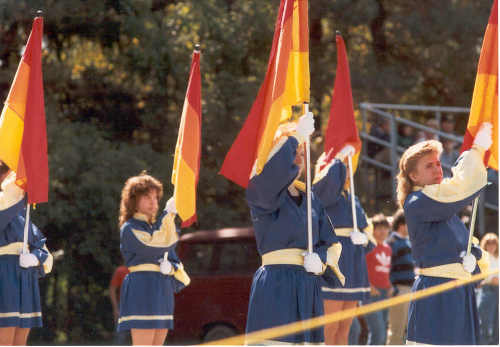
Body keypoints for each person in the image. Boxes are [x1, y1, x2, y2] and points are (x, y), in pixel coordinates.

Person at [245, 112, 344, 344]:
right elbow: (271, 177)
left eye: (302, 153)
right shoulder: (260, 189)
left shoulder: (311, 199)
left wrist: (320, 262)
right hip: (276, 285)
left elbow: (330, 242)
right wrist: (295, 136)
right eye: (292, 153)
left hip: (307, 283)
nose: (299, 160)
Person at [396, 122, 493, 345]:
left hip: (460, 294)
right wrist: (476, 150)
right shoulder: (418, 201)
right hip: (435, 292)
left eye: (439, 163)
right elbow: (460, 187)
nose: (438, 169)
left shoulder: (447, 210)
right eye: (429, 165)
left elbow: (470, 248)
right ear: (413, 176)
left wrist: (474, 261)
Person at [312, 144, 376, 345]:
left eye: (349, 167)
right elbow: (326, 187)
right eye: (343, 168)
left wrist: (364, 239)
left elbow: (368, 232)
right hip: (335, 265)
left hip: (354, 266)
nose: (348, 172)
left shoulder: (353, 198)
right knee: (329, 329)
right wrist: (337, 159)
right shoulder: (324, 194)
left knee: (344, 330)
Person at [117, 172, 190, 345]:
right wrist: (168, 215)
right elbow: (154, 246)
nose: (153, 202)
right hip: (142, 287)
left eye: (156, 198)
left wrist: (171, 268)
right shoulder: (129, 228)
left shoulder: (160, 228)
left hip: (161, 288)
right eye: (147, 197)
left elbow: (172, 256)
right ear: (134, 200)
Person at [0, 161, 53, 345]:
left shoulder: (23, 218)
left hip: (23, 281)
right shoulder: (7, 203)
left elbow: (45, 253)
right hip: (3, 277)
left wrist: (35, 259)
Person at [362, 214, 392, 345]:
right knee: (378, 333)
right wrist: (368, 286)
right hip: (370, 295)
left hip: (385, 294)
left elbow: (386, 270)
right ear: (372, 230)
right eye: (379, 228)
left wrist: (390, 286)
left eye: (385, 228)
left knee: (383, 334)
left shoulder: (388, 248)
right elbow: (359, 268)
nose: (382, 231)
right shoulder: (367, 247)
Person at [386, 209, 415, 345]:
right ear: (402, 224)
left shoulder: (408, 242)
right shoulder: (392, 241)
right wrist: (394, 289)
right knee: (396, 330)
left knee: (405, 330)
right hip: (399, 290)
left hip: (409, 290)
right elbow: (387, 267)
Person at [477, 233, 499, 345]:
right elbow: (478, 279)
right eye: (488, 243)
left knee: (497, 321)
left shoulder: (498, 257)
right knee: (484, 320)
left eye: (494, 242)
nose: (491, 245)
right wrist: (489, 280)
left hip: (498, 290)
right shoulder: (482, 257)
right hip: (486, 290)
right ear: (485, 244)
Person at [109, 263, 130, 345]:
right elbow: (112, 289)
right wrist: (116, 308)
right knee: (120, 337)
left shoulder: (142, 270)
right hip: (123, 307)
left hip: (140, 308)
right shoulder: (120, 270)